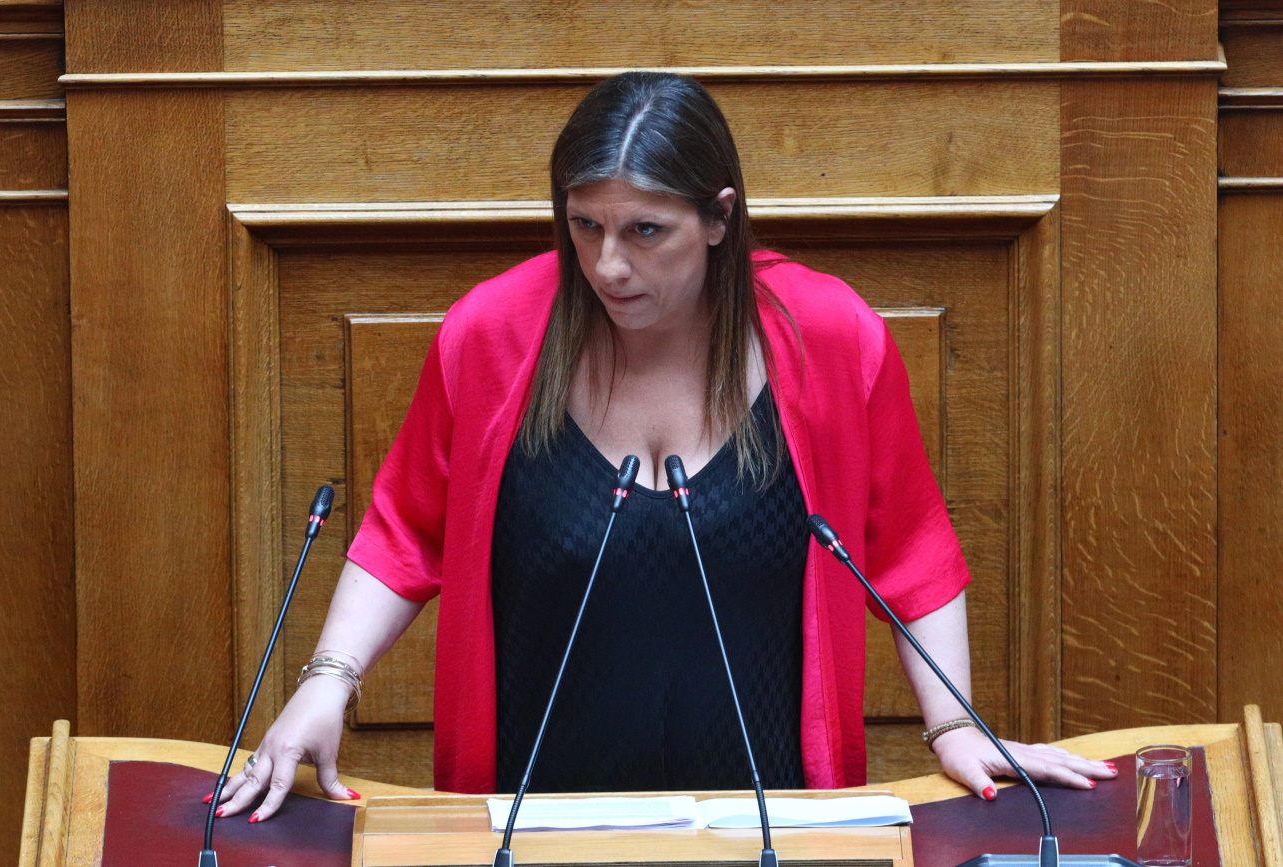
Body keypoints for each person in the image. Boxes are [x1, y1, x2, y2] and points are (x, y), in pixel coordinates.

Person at [214, 71, 1116, 822]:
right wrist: (327, 681)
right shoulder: (491, 335)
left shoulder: (831, 338)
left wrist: (953, 728)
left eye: (646, 230)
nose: (609, 264)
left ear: (719, 217)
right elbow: (403, 534)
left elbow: (912, 552)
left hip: (771, 826)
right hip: (529, 825)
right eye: (585, 225)